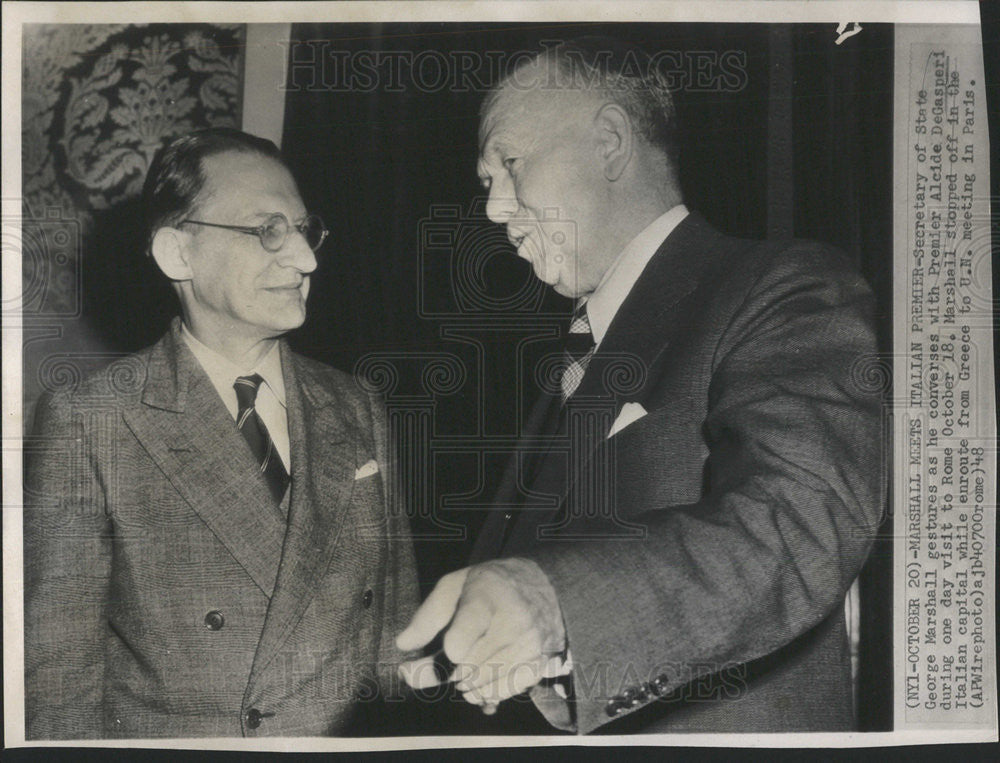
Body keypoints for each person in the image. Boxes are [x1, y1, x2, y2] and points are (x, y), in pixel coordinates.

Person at [396, 37, 883, 733]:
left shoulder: (783, 287)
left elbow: (801, 520)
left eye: (509, 164)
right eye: (485, 184)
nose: (494, 209)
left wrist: (555, 604)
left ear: (611, 143)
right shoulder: (568, 356)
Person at [24, 128, 417, 738]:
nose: (307, 260)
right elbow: (59, 683)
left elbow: (396, 632)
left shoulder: (355, 402)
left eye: (306, 231)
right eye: (268, 232)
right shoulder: (91, 420)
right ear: (178, 254)